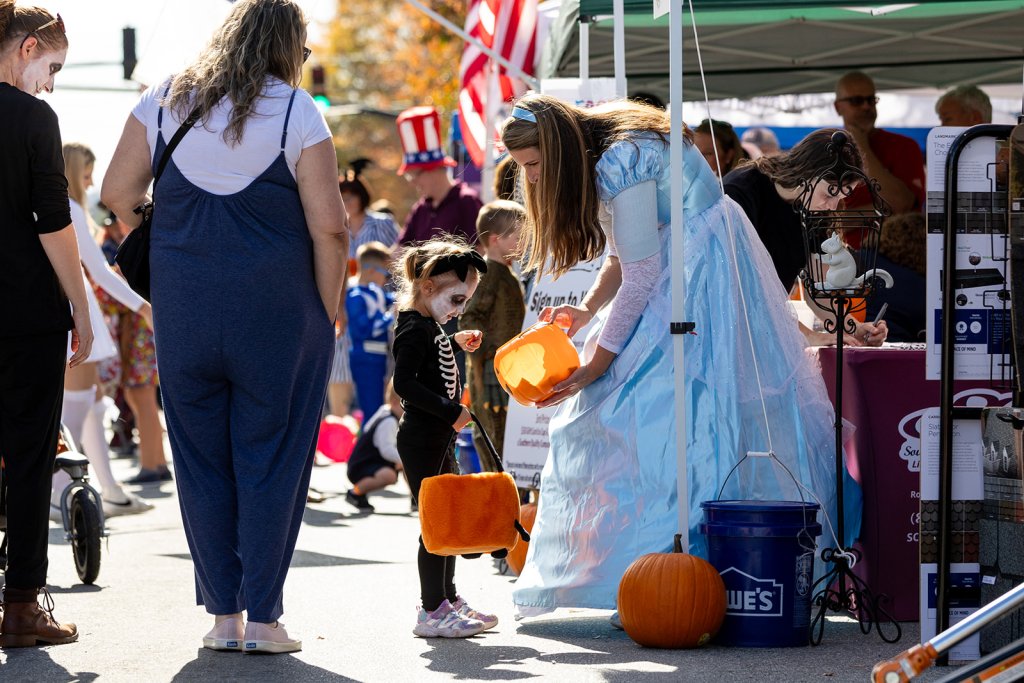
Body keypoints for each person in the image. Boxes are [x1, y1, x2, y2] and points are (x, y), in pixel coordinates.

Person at [500, 94, 853, 615]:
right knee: (645, 408)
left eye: (533, 165)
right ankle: (639, 572)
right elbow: (623, 258)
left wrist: (599, 361)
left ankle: (686, 565)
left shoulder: (622, 158)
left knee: (677, 408)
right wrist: (586, 310)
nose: (530, 179)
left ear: (557, 152)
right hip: (676, 266)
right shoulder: (611, 157)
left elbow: (641, 273)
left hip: (701, 271)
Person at [102, 0, 346, 654]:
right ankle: (265, 620)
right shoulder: (297, 110)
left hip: (184, 311)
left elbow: (116, 192)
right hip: (277, 315)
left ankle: (223, 618)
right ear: (286, 46)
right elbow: (330, 228)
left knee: (201, 462)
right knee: (272, 460)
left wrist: (169, 229)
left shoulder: (163, 99)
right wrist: (325, 314)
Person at [0, 1, 84, 647]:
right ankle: (22, 608)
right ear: (28, 47)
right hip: (24, 313)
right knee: (30, 457)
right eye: (51, 67)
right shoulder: (32, 118)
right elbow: (53, 220)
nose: (49, 85)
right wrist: (80, 306)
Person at [391, 238, 496, 638]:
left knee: (448, 519)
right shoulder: (413, 328)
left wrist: (453, 341)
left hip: (437, 437)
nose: (459, 310)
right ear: (427, 286)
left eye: (464, 302)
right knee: (436, 523)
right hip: (422, 438)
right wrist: (451, 410)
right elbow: (404, 383)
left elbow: (426, 363)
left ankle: (447, 599)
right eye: (456, 300)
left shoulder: (428, 326)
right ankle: (432, 609)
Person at [57, 142, 154, 517]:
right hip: (75, 309)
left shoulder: (60, 207)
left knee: (94, 405)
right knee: (77, 408)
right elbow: (98, 271)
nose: (91, 182)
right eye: (86, 175)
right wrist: (142, 307)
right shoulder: (68, 207)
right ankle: (58, 490)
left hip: (74, 306)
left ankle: (109, 489)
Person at [723, 129, 888, 347]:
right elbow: (744, 288)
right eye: (829, 194)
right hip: (727, 327)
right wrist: (807, 335)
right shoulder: (742, 191)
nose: (832, 206)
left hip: (766, 331)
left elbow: (818, 289)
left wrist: (853, 328)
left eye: (841, 197)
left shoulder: (815, 210)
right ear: (807, 172)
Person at [458, 200, 526, 471]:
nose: (523, 243)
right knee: (493, 434)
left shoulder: (504, 273)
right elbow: (470, 317)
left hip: (506, 368)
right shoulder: (487, 275)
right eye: (518, 237)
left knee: (506, 433)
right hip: (491, 370)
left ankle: (507, 486)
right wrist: (489, 353)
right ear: (496, 240)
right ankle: (498, 487)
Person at [834, 71, 925, 215]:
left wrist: (861, 146)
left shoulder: (904, 146)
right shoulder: (824, 149)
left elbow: (900, 203)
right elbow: (818, 216)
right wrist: (884, 209)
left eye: (871, 100)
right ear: (838, 107)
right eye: (856, 101)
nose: (866, 106)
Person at [396, 106, 482, 246]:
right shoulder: (421, 209)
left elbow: (479, 250)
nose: (412, 183)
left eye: (413, 175)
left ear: (433, 170)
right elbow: (399, 250)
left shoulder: (467, 202)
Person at [346, 241, 395, 418]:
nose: (387, 279)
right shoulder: (355, 296)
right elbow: (364, 330)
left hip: (379, 357)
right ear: (372, 270)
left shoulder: (376, 292)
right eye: (386, 274)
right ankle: (369, 435)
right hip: (365, 357)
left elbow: (393, 299)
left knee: (380, 404)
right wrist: (391, 316)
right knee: (371, 407)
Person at [345, 381, 404, 512]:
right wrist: (403, 460)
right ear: (395, 403)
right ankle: (355, 492)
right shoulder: (389, 421)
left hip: (371, 462)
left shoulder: (384, 411)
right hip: (362, 465)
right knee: (390, 475)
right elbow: (386, 450)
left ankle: (415, 495)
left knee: (406, 464)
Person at [341, 158, 399, 254]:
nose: (347, 202)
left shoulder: (382, 223)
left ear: (362, 196)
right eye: (342, 198)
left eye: (352, 196)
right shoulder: (339, 229)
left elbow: (398, 254)